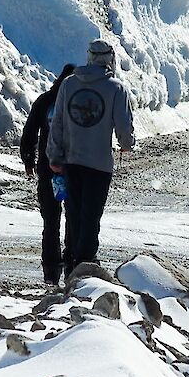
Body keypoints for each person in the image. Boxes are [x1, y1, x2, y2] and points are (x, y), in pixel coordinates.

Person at [47, 39, 134, 281]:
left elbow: (59, 123)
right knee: (92, 214)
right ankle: (85, 263)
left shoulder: (68, 85)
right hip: (99, 164)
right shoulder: (116, 88)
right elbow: (124, 127)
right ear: (110, 59)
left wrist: (54, 155)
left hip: (71, 160)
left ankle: (72, 258)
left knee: (73, 212)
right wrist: (127, 145)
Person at [19, 63, 77, 284]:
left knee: (50, 219)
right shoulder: (77, 103)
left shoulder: (45, 100)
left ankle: (51, 266)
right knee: (73, 216)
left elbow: (30, 131)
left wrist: (28, 159)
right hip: (73, 167)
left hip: (47, 166)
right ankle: (71, 260)